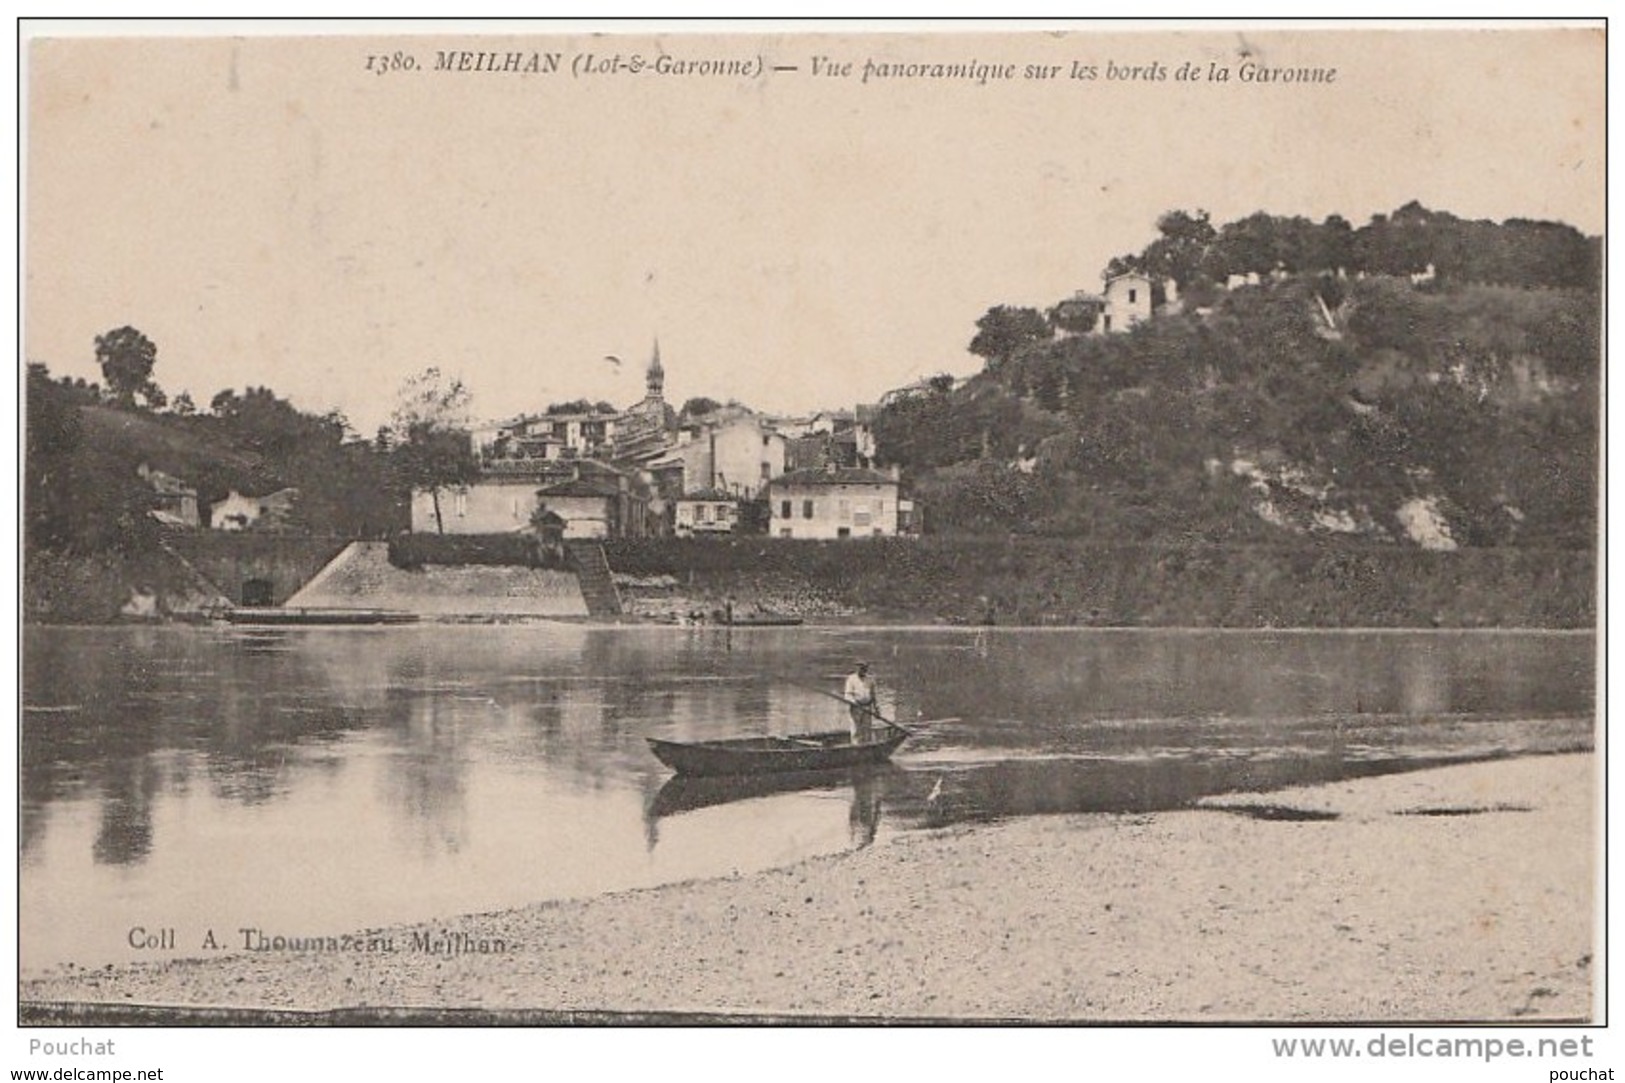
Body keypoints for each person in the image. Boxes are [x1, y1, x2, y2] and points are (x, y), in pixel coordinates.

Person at [843, 661, 879, 745]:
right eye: (860, 668)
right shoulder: (851, 679)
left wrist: (877, 709)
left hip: (867, 708)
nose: (862, 670)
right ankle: (855, 748)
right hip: (856, 708)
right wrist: (854, 702)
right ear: (857, 668)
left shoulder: (870, 679)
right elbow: (848, 695)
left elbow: (874, 696)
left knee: (867, 729)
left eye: (864, 668)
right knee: (856, 729)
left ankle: (867, 747)